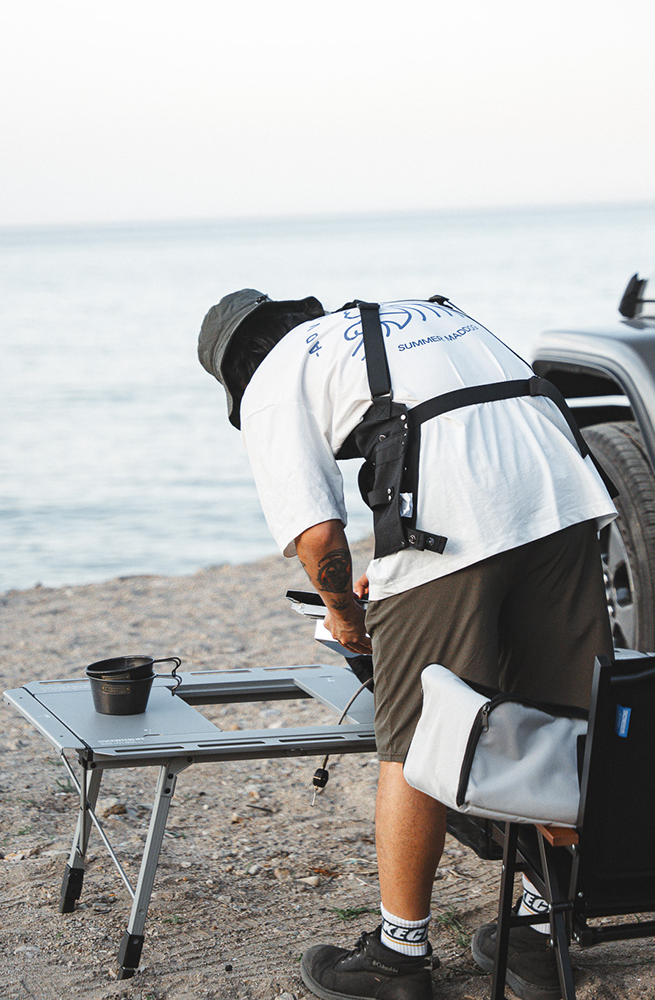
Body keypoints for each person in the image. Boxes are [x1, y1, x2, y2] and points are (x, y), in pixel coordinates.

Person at [197, 291, 616, 1000]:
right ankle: (547, 934)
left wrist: (347, 618)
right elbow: (462, 425)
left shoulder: (273, 376)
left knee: (417, 732)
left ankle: (400, 958)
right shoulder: (409, 322)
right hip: (563, 492)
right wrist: (400, 565)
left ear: (238, 372)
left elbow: (318, 537)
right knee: (564, 717)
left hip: (459, 513)